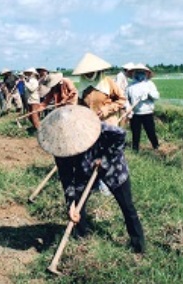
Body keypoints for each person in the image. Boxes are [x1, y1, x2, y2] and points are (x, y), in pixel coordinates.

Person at [37, 105, 145, 254]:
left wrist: (104, 159)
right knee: (77, 205)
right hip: (85, 171)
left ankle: (139, 247)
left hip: (113, 169)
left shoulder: (96, 126)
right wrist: (70, 204)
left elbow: (121, 136)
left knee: (127, 206)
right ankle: (82, 241)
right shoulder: (59, 146)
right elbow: (66, 176)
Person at [72, 52, 127, 126]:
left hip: (107, 123)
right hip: (90, 124)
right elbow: (80, 105)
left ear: (96, 71)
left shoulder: (107, 82)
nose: (88, 74)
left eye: (91, 71)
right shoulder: (82, 85)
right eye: (86, 72)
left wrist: (107, 109)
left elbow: (121, 100)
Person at [125, 63, 160, 152]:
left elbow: (156, 96)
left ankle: (156, 148)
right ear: (134, 73)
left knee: (151, 131)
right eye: (137, 72)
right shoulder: (130, 86)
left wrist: (149, 94)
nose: (139, 74)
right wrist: (128, 108)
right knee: (135, 133)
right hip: (135, 113)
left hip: (147, 112)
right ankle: (135, 150)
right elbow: (126, 99)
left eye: (142, 72)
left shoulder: (150, 84)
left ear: (146, 73)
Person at [115, 62, 134, 127]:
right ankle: (121, 129)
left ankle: (123, 128)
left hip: (124, 97)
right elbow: (117, 88)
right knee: (124, 114)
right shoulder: (120, 75)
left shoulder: (124, 76)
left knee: (127, 114)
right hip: (121, 97)